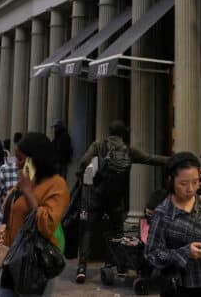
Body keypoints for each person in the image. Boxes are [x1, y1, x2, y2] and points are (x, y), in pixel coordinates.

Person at [0, 132, 69, 297]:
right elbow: (6, 229)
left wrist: (28, 192)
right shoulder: (19, 186)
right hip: (10, 263)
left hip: (35, 266)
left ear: (36, 159)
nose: (17, 164)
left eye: (21, 159)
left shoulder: (56, 185)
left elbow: (47, 225)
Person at [74, 120, 169, 283]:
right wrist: (173, 160)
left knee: (88, 229)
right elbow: (150, 158)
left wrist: (79, 175)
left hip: (97, 195)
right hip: (116, 198)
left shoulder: (98, 146)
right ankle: (119, 265)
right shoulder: (128, 150)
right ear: (123, 134)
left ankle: (82, 268)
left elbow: (83, 162)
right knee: (118, 231)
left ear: (109, 132)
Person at [146, 152, 201, 297]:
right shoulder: (163, 213)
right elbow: (152, 254)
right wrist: (185, 253)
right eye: (183, 184)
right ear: (171, 181)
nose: (191, 189)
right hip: (178, 287)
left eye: (195, 182)